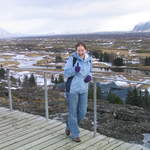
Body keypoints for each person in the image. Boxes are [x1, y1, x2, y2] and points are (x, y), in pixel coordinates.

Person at [64, 42, 93, 142]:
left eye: (82, 50)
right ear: (76, 50)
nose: (80, 52)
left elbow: (90, 71)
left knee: (82, 112)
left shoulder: (89, 59)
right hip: (72, 89)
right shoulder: (72, 59)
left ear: (85, 50)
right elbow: (66, 72)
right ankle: (75, 134)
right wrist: (74, 70)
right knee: (73, 112)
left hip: (84, 88)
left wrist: (90, 76)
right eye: (78, 50)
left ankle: (69, 125)